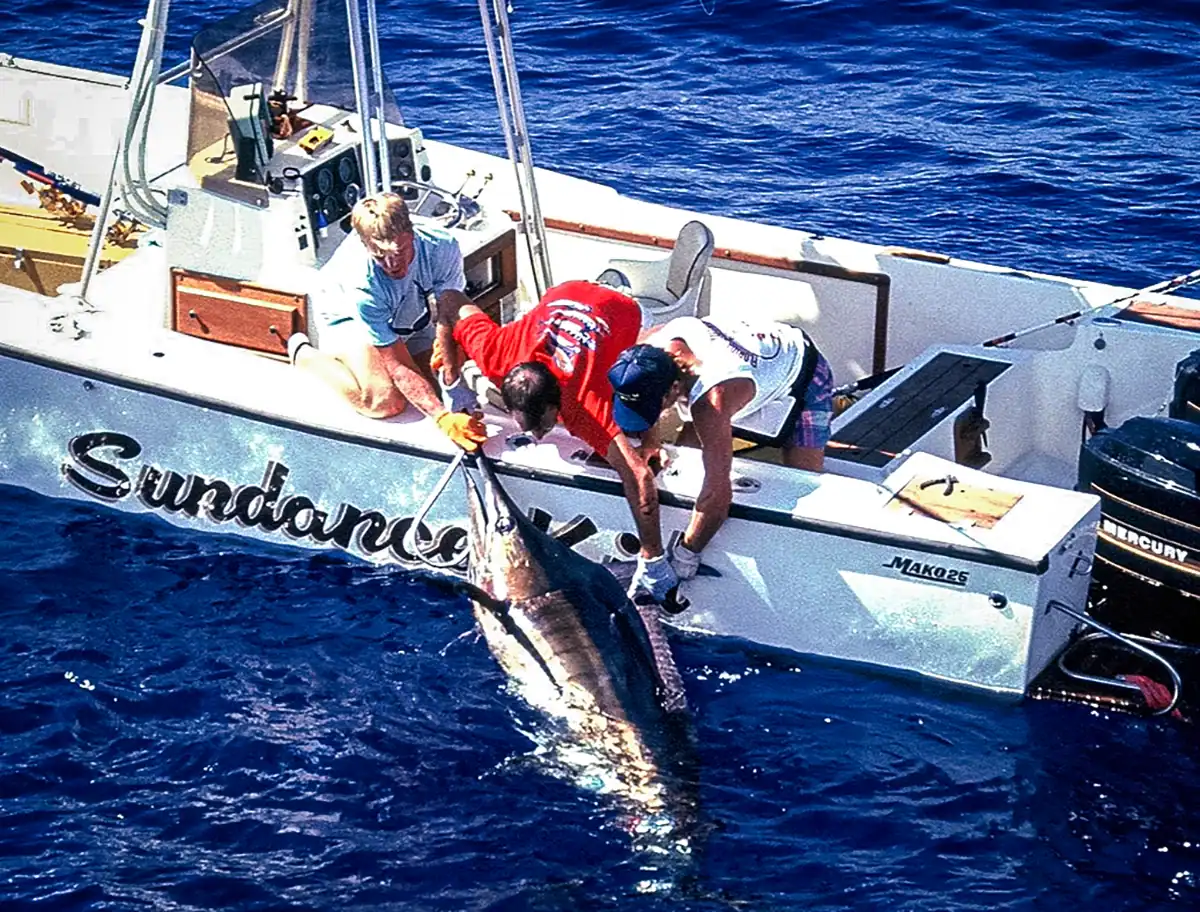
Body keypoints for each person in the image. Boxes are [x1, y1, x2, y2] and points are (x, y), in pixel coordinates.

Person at [432, 280, 678, 601]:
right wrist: (452, 380)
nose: (535, 435)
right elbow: (449, 300)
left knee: (634, 395)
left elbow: (640, 477)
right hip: (568, 292)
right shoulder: (496, 354)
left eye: (542, 425)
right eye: (529, 426)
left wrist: (652, 556)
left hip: (623, 309)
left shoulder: (586, 406)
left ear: (556, 406)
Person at [608, 315, 833, 584]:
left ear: (675, 389)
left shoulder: (710, 403)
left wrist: (685, 556)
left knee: (800, 483)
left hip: (802, 369)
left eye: (652, 409)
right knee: (685, 467)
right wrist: (650, 440)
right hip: (747, 362)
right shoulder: (644, 352)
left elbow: (718, 496)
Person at [287, 192, 486, 452]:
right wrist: (443, 418)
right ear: (364, 244)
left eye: (400, 252)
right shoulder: (363, 284)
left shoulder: (442, 245)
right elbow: (397, 366)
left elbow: (450, 314)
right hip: (345, 317)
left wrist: (452, 381)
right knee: (385, 401)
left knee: (438, 374)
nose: (392, 264)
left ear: (411, 233)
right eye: (380, 257)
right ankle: (304, 355)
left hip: (405, 311)